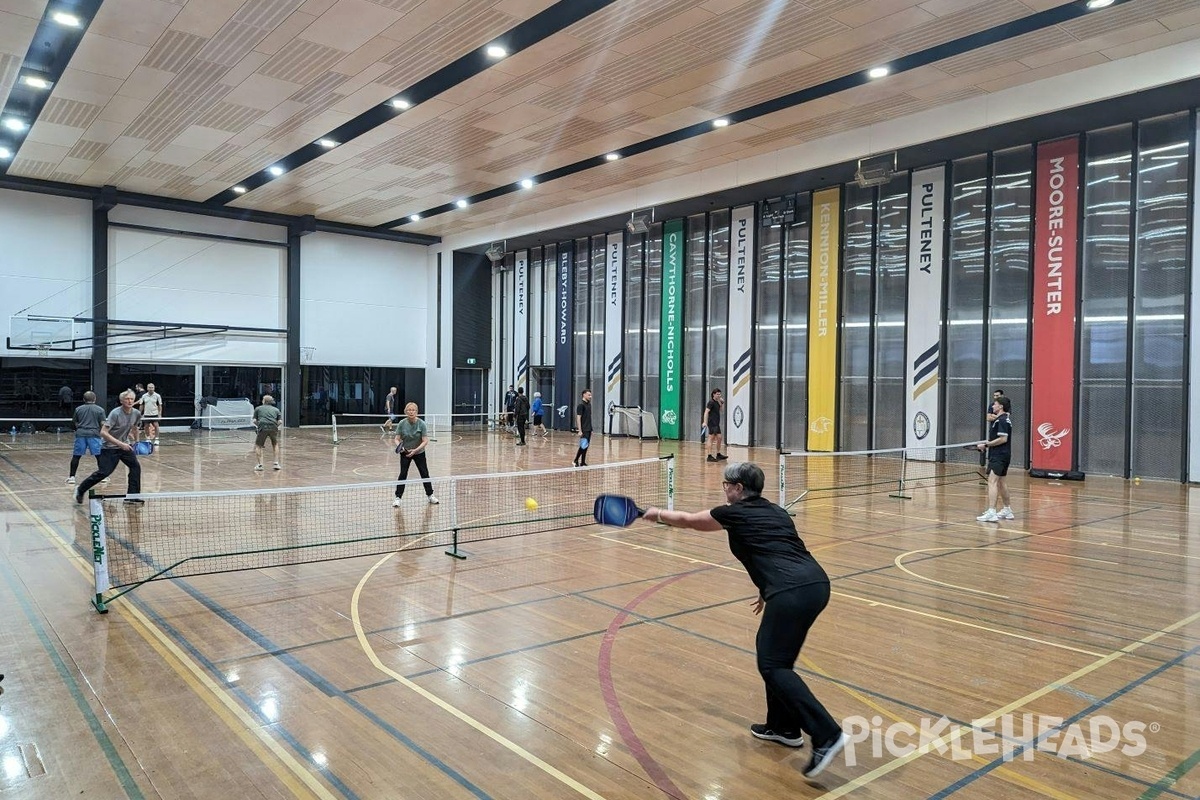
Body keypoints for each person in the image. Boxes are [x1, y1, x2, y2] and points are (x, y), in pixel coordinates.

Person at [642, 462, 849, 780]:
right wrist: (766, 590)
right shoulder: (777, 512)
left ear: (738, 488)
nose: (723, 489)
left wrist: (654, 513)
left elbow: (689, 521)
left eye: (727, 484)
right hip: (816, 585)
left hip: (790, 592)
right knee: (780, 662)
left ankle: (826, 733)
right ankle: (783, 727)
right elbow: (775, 548)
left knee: (773, 665)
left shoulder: (732, 513)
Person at [74, 389, 143, 505]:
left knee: (135, 467)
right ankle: (81, 489)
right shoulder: (115, 413)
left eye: (132, 398)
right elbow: (103, 433)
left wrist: (137, 442)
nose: (130, 401)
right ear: (121, 401)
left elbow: (135, 428)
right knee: (104, 472)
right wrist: (121, 444)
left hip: (125, 446)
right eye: (127, 399)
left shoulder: (136, 413)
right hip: (109, 448)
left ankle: (132, 496)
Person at [392, 402, 439, 507]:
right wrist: (401, 447)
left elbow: (425, 441)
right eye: (409, 410)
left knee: (424, 473)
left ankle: (430, 495)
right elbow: (396, 439)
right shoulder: (402, 423)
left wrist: (415, 450)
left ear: (416, 412)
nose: (411, 412)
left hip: (419, 452)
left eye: (413, 410)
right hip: (405, 452)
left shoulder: (421, 424)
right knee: (403, 474)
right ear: (406, 412)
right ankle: (398, 497)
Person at [976, 395, 1014, 522]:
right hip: (1002, 455)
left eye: (995, 404)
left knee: (992, 482)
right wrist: (986, 444)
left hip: (999, 456)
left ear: (1001, 406)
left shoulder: (1001, 420)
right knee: (1001, 482)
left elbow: (1003, 439)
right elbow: (997, 439)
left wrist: (987, 444)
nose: (992, 406)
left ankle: (992, 511)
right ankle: (1007, 510)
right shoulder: (1003, 419)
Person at [67, 390, 105, 485]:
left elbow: (75, 422)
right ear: (95, 399)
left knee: (76, 456)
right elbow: (103, 424)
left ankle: (72, 477)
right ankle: (104, 476)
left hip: (81, 434)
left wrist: (80, 428)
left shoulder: (78, 409)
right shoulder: (100, 410)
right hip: (94, 435)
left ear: (84, 399)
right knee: (99, 456)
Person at [253, 395, 282, 471]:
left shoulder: (258, 408)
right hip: (273, 427)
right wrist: (275, 426)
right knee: (275, 444)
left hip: (262, 427)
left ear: (264, 401)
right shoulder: (276, 410)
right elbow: (280, 421)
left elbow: (254, 420)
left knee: (258, 446)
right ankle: (276, 463)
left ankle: (260, 465)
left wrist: (259, 426)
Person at [704, 388, 728, 462]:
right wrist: (705, 422)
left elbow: (721, 410)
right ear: (714, 394)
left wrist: (721, 403)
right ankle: (709, 456)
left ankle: (718, 454)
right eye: (717, 394)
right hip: (712, 423)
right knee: (711, 438)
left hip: (716, 423)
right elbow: (706, 412)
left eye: (720, 394)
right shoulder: (711, 402)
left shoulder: (717, 402)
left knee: (719, 438)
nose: (719, 395)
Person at [574, 389, 592, 467]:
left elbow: (588, 417)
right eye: (589, 395)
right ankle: (575, 460)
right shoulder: (581, 405)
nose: (590, 396)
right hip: (584, 429)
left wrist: (591, 428)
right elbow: (578, 418)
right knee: (583, 446)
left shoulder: (589, 404)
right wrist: (580, 430)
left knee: (586, 446)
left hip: (589, 429)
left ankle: (583, 462)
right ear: (584, 395)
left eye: (590, 395)